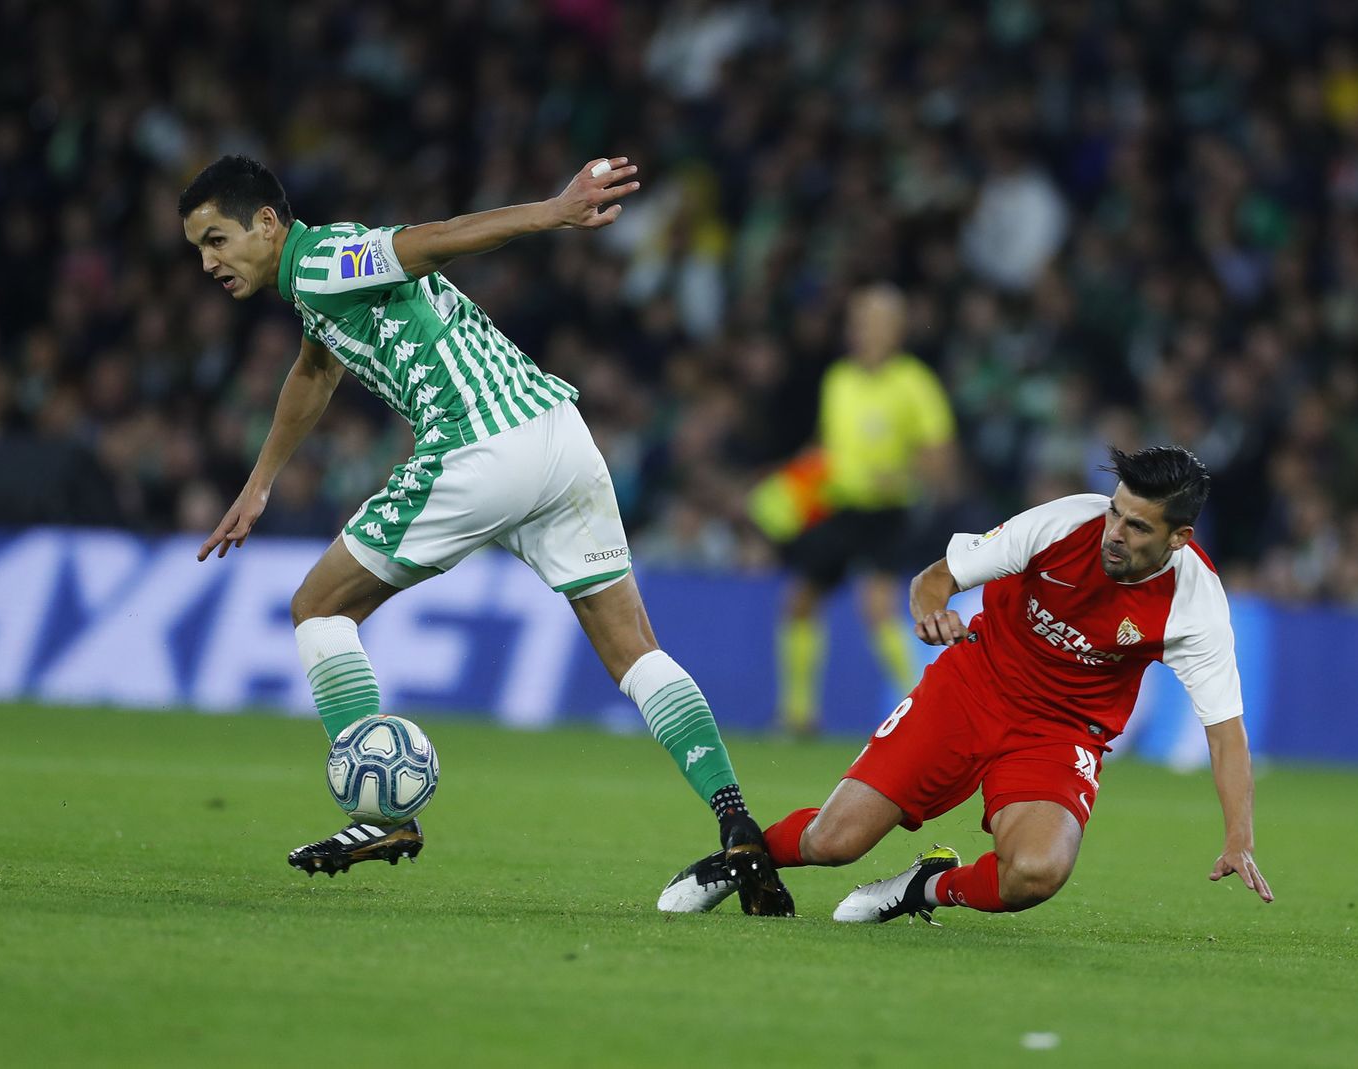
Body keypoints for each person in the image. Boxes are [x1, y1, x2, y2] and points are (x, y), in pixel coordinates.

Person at [179, 154, 791, 914]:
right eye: (198, 248)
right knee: (636, 651)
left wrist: (553, 211)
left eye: (216, 240)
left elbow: (436, 238)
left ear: (268, 224)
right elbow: (313, 373)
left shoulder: (326, 257)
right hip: (560, 436)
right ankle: (736, 822)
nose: (208, 262)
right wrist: (261, 481)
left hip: (479, 445)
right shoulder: (316, 290)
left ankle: (385, 810)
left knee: (319, 607)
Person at [661, 446, 1273, 921]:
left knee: (1037, 872)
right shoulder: (1062, 524)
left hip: (1060, 732)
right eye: (1116, 511)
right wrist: (930, 613)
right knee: (835, 840)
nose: (1115, 531)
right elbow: (935, 578)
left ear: (1179, 538)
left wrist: (1238, 837)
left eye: (1138, 527)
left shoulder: (1196, 606)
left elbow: (1225, 734)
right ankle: (736, 862)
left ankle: (923, 887)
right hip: (973, 684)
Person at [765, 284, 957, 736]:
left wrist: (905, 474)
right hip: (839, 507)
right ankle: (798, 716)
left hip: (888, 512)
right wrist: (790, 486)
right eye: (860, 321)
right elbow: (825, 446)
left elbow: (940, 455)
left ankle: (923, 707)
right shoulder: (839, 379)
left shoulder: (914, 383)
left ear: (897, 331)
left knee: (876, 606)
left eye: (876, 322)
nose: (866, 331)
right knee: (799, 602)